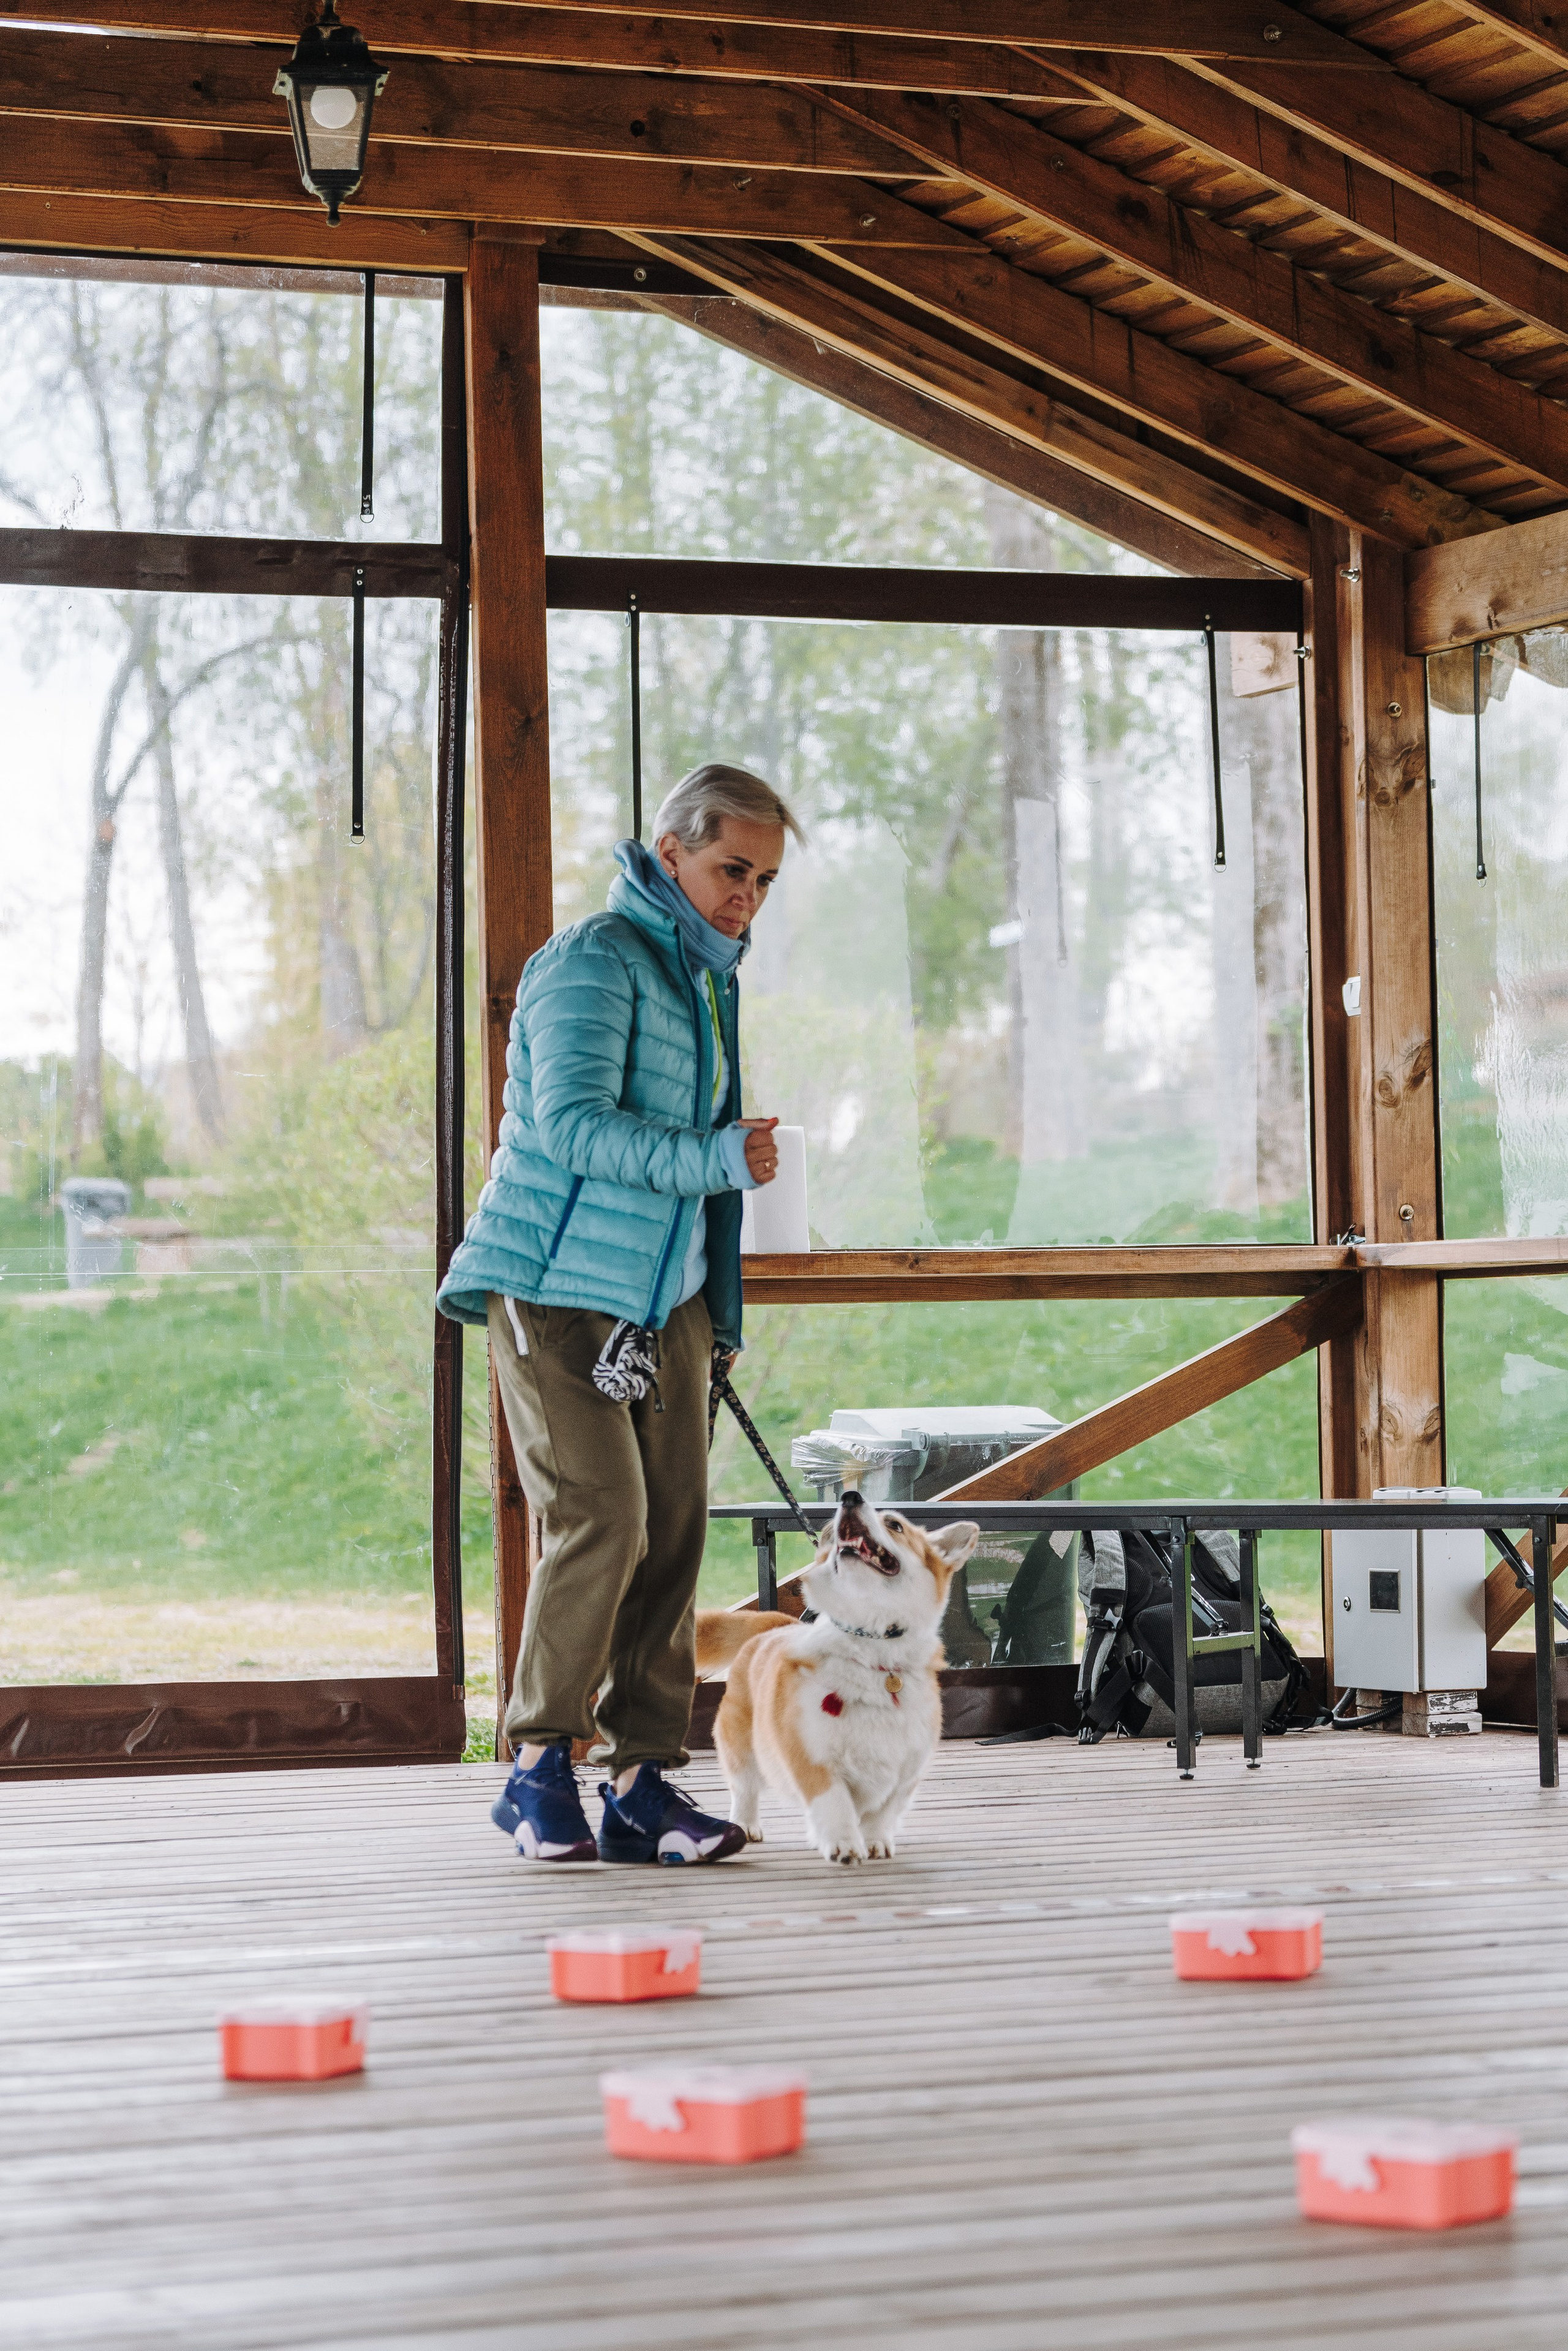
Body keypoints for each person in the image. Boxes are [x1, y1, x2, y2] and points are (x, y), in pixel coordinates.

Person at [437, 763, 805, 1863]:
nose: (746, 896)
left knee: (675, 1530)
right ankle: (538, 1766)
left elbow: (705, 1184)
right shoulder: (590, 961)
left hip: (668, 1305)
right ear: (671, 849)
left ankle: (643, 1783)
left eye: (765, 880)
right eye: (732, 869)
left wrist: (716, 1316)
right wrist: (716, 1155)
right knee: (604, 1517)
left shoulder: (708, 981)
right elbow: (571, 1126)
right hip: (553, 1289)